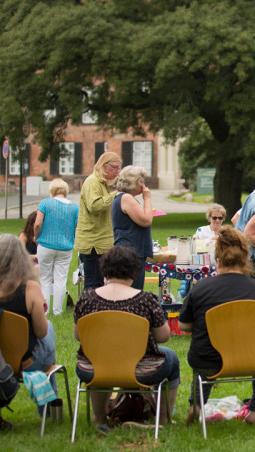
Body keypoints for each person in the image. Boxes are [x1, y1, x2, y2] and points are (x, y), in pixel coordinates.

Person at [73, 246, 180, 433]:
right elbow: (163, 336)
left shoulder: (86, 299)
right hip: (141, 368)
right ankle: (162, 419)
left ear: (104, 269)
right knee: (171, 357)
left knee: (97, 362)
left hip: (95, 368)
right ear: (134, 271)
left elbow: (78, 335)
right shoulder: (146, 300)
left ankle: (100, 419)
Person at [178, 227, 255, 425]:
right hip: (252, 358)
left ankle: (196, 404)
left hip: (208, 358)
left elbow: (184, 326)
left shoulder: (200, 289)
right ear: (245, 258)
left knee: (202, 356)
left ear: (218, 259)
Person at [0, 235, 60, 417]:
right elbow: (41, 333)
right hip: (29, 363)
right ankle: (48, 410)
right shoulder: (31, 288)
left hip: (2, 362)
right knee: (48, 328)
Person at [74, 152, 122, 288]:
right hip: (93, 243)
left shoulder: (103, 183)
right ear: (104, 166)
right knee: (93, 283)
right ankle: (90, 309)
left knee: (100, 283)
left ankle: (97, 308)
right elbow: (94, 206)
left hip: (101, 240)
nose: (118, 172)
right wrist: (115, 195)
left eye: (119, 168)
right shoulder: (92, 182)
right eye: (115, 167)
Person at [34, 179, 79, 315]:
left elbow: (37, 224)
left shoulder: (45, 203)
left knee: (45, 278)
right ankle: (58, 311)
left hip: (46, 245)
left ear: (52, 190)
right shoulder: (75, 207)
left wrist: (36, 237)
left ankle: (45, 311)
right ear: (65, 190)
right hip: (65, 248)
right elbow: (77, 226)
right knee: (61, 279)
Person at [112, 166, 153, 291]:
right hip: (130, 252)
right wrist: (147, 198)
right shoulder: (126, 198)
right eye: (141, 181)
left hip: (130, 250)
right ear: (132, 182)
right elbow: (146, 220)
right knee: (133, 291)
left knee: (131, 290)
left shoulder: (124, 197)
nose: (143, 184)